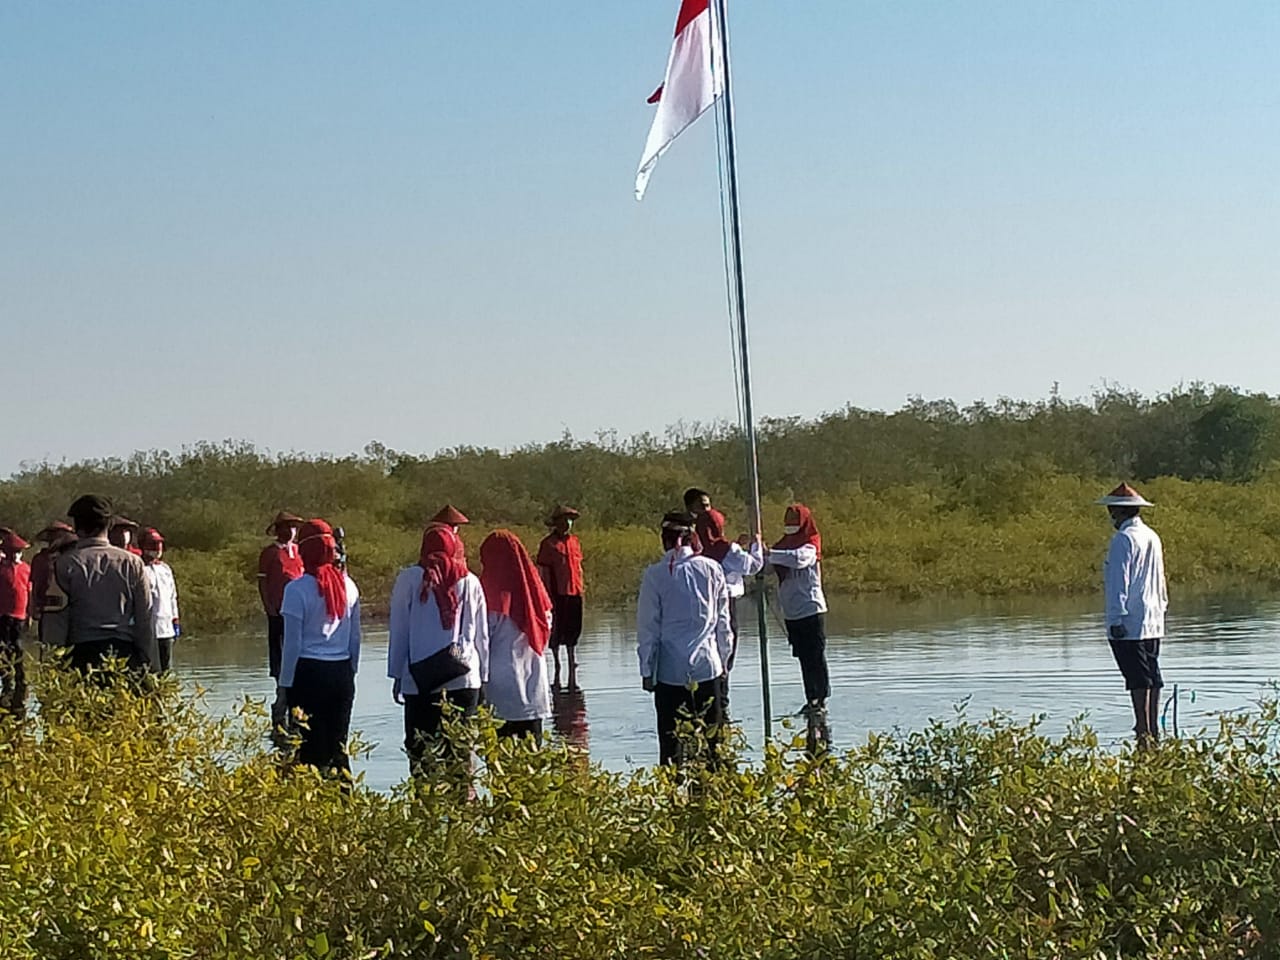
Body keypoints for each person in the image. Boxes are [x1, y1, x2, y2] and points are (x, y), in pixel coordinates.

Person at [387, 523, 489, 775]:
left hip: (420, 680)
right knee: (461, 757)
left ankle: (425, 811)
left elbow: (399, 631)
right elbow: (480, 635)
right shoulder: (469, 580)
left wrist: (397, 676)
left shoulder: (409, 579)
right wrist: (483, 677)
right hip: (463, 678)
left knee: (421, 756)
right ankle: (463, 812)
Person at [636, 511, 731, 767]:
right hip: (708, 668)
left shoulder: (655, 575)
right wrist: (723, 663)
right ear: (692, 538)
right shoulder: (713, 569)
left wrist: (647, 670)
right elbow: (723, 624)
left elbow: (648, 630)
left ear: (664, 539)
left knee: (671, 748)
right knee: (715, 746)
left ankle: (675, 799)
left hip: (670, 673)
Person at [278, 519, 361, 777]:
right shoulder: (349, 586)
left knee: (309, 748)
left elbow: (292, 645)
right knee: (338, 746)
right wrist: (350, 673)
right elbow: (355, 639)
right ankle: (345, 803)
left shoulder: (296, 590)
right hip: (341, 673)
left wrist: (284, 688)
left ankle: (312, 807)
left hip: (308, 674)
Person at [42, 495, 158, 674]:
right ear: (109, 525)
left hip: (80, 658)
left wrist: (51, 667)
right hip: (125, 657)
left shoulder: (65, 564)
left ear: (77, 527)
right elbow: (146, 617)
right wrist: (147, 662)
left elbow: (56, 620)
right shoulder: (133, 563)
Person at [1097, 483, 1168, 745]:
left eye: (1111, 511)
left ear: (1118, 511)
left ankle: (1142, 728)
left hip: (1130, 621)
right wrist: (1162, 608)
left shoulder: (1123, 539)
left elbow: (1119, 582)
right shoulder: (1152, 535)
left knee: (1138, 678)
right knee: (1151, 673)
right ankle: (1152, 727)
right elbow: (1160, 580)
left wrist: (1116, 619)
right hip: (1152, 619)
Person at [480, 530, 554, 740]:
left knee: (499, 761)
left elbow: (482, 641)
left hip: (499, 688)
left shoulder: (488, 596)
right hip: (533, 684)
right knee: (533, 759)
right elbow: (546, 629)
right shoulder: (537, 595)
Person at [696, 510, 763, 715]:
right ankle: (722, 700)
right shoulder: (727, 549)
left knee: (709, 648)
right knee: (727, 645)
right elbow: (753, 565)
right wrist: (756, 545)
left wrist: (738, 546)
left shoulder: (697, 551)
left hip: (702, 606)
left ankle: (709, 700)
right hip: (727, 602)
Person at [767, 504, 830, 718]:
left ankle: (820, 699)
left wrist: (771, 554)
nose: (791, 523)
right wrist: (756, 553)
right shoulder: (782, 546)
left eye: (795, 519)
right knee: (803, 657)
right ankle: (810, 698)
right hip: (791, 612)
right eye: (788, 518)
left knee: (815, 656)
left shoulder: (810, 544)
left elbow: (798, 559)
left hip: (810, 608)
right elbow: (768, 564)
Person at [258, 510, 305, 732]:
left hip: (298, 616)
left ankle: (297, 713)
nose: (291, 531)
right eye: (287, 527)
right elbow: (263, 583)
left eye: (294, 527)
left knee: (298, 659)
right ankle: (280, 708)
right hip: (278, 614)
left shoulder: (299, 551)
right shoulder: (270, 553)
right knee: (280, 660)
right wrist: (269, 608)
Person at [537, 505, 584, 688]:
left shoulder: (575, 541)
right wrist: (546, 596)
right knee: (556, 628)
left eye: (569, 520)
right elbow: (544, 571)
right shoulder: (548, 544)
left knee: (574, 627)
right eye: (564, 520)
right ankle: (557, 661)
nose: (567, 523)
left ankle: (572, 659)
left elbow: (578, 567)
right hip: (556, 592)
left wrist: (581, 588)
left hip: (575, 591)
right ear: (557, 523)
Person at [139, 528, 180, 673]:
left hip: (166, 628)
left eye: (159, 544)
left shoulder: (165, 570)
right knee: (150, 670)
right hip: (148, 628)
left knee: (166, 670)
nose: (157, 549)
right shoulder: (140, 568)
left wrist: (175, 621)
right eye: (153, 544)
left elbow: (172, 597)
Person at [0, 532, 32, 715]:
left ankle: (21, 679)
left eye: (18, 552)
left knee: (18, 647)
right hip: (3, 615)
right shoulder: (1, 569)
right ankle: (7, 680)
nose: (15, 555)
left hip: (20, 615)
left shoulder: (26, 569)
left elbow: (29, 592)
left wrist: (30, 615)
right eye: (11, 552)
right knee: (3, 648)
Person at [28, 522, 75, 642]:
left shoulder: (71, 558)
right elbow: (34, 584)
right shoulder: (40, 559)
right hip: (46, 607)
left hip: (68, 607)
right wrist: (33, 607)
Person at [684, 487, 727, 555]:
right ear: (689, 507)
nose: (706, 509)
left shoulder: (714, 518)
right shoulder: (683, 530)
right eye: (701, 506)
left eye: (707, 506)